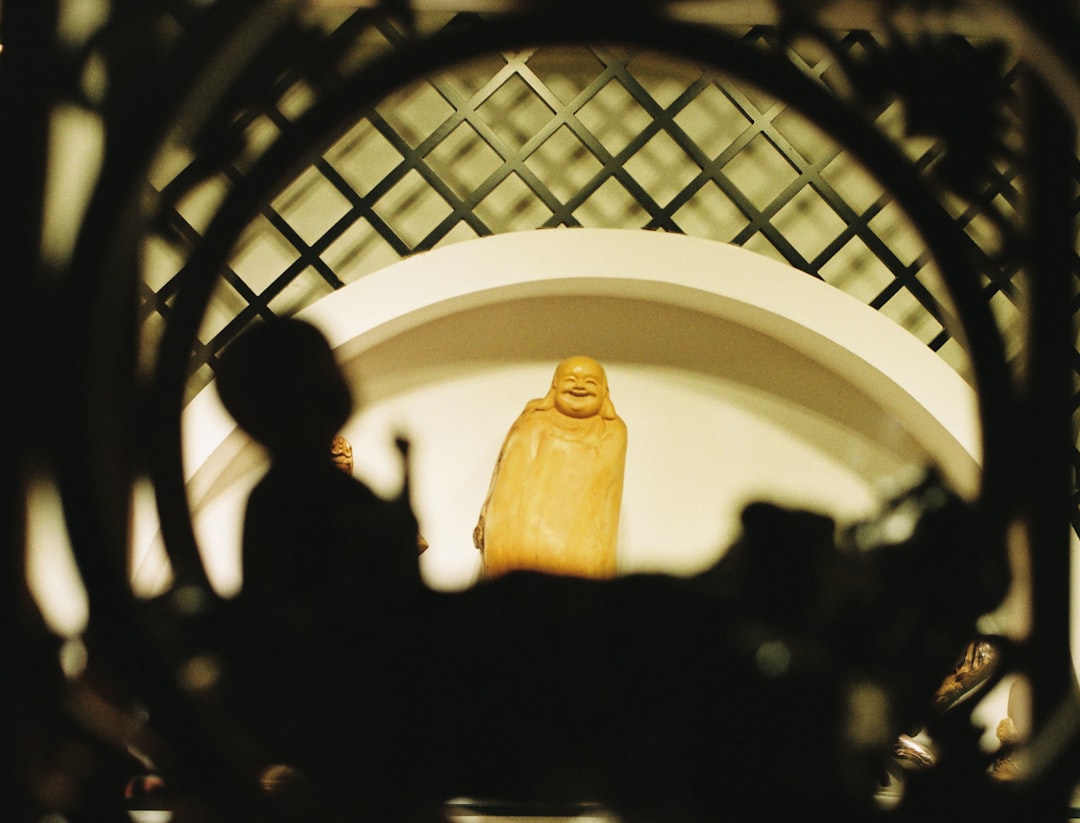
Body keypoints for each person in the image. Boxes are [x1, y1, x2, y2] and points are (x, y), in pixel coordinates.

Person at [473, 355, 627, 579]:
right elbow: (505, 482)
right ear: (554, 385)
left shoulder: (612, 433)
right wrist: (488, 520)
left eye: (591, 382)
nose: (579, 385)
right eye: (570, 379)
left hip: (579, 547)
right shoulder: (532, 423)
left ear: (605, 391)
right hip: (519, 541)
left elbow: (605, 504)